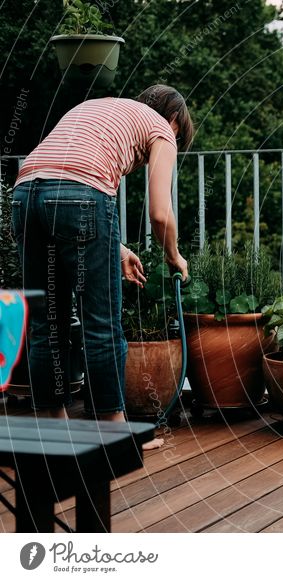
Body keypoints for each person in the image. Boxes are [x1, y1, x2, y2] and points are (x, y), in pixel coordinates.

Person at [11, 85, 192, 450]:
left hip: (25, 194)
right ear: (174, 120)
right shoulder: (162, 129)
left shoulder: (96, 106)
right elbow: (160, 213)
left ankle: (54, 429)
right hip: (80, 195)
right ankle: (116, 436)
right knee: (101, 324)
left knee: (47, 323)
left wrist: (118, 248)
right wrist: (173, 254)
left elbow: (56, 183)